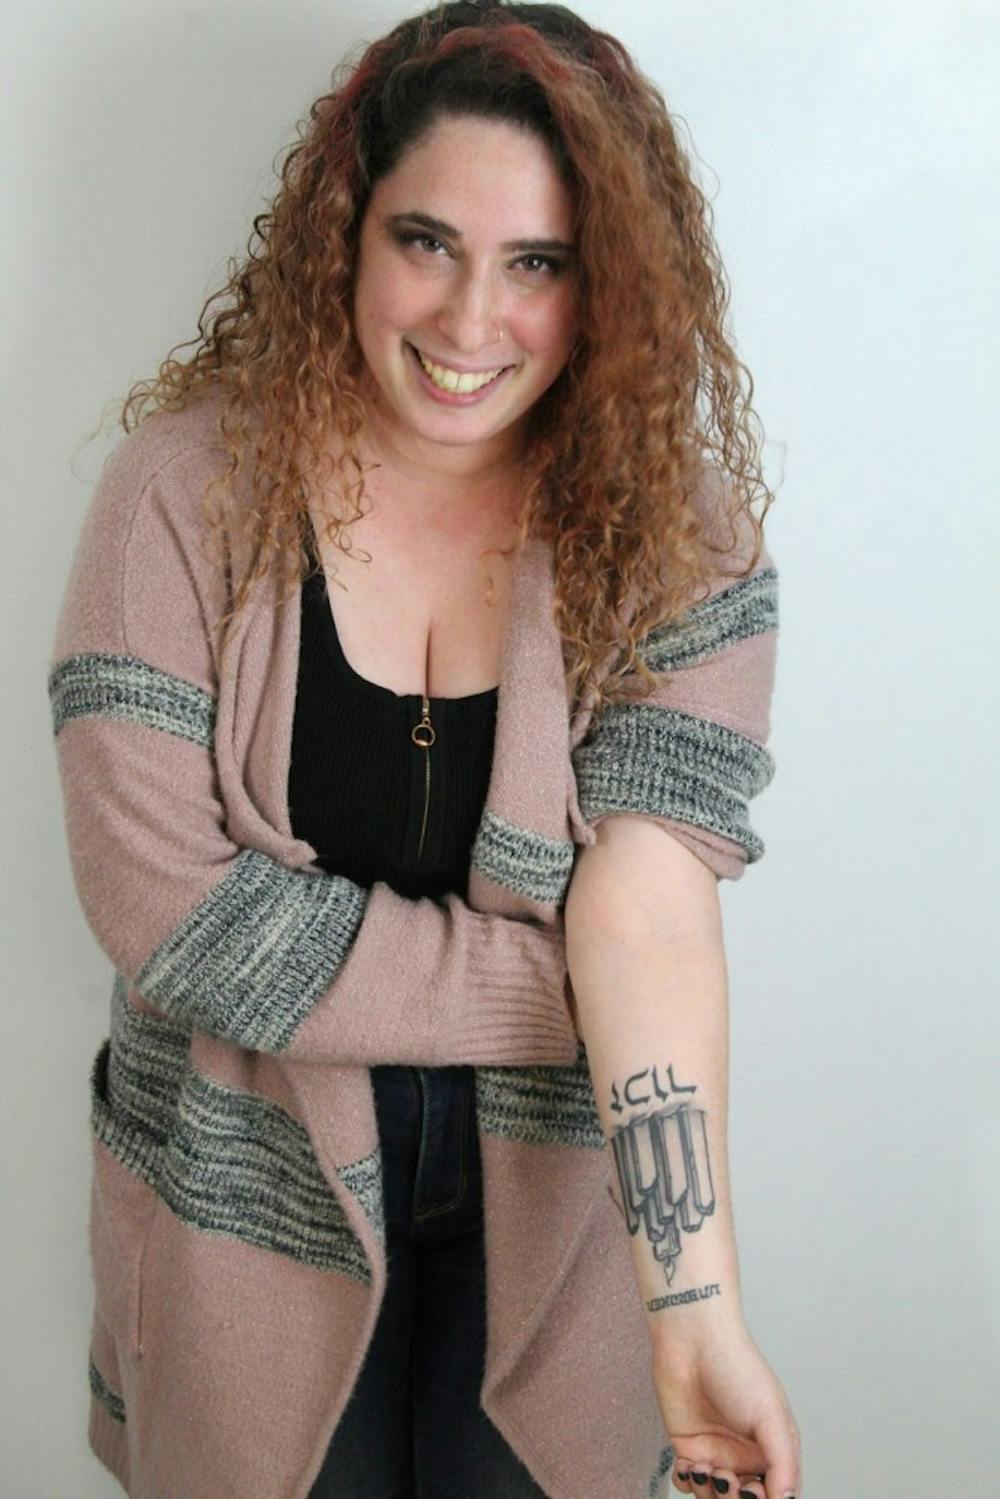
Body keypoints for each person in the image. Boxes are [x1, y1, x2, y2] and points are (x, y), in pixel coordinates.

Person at [47, 2, 802, 1496]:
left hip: (563, 1220)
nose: (470, 324)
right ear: (347, 231)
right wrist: (573, 983)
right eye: (428, 243)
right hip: (234, 1202)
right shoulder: (178, 497)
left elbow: (647, 906)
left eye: (539, 264)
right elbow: (175, 921)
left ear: (612, 288)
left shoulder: (680, 542)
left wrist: (697, 1314)